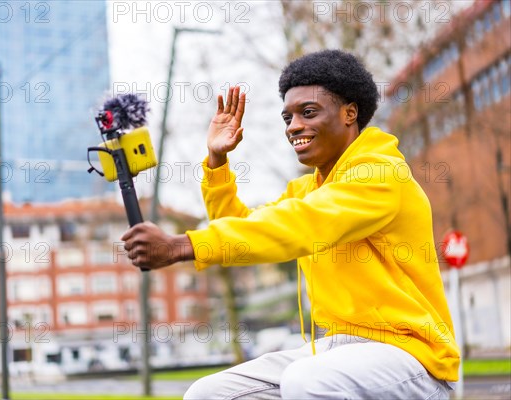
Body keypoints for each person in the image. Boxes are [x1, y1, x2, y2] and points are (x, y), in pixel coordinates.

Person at [121, 49, 460, 399]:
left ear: (350, 113)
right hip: (337, 349)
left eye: (308, 112)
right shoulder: (306, 190)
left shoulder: (381, 174)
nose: (294, 125)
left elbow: (300, 224)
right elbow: (248, 231)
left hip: (411, 356)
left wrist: (181, 245)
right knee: (207, 393)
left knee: (307, 380)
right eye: (288, 117)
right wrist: (217, 160)